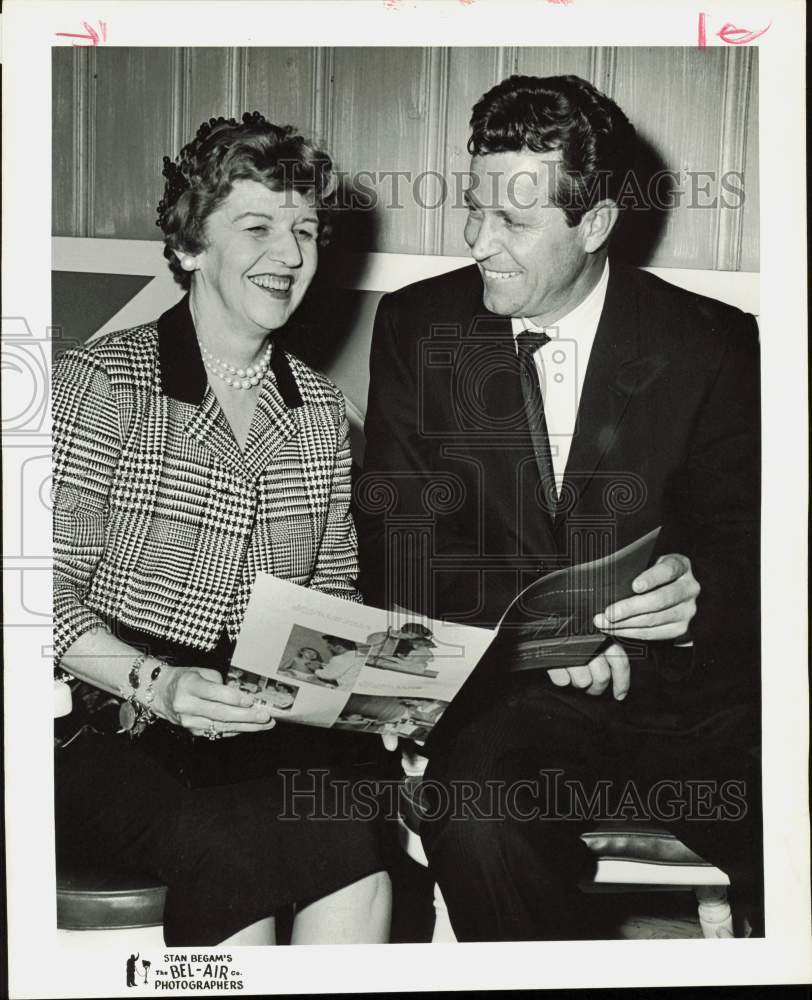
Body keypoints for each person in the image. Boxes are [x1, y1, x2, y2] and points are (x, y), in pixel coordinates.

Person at [357, 75, 761, 940]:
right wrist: (542, 648)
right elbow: (397, 542)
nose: (478, 242)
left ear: (597, 225)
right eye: (474, 209)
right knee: (470, 810)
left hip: (698, 708)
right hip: (517, 705)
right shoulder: (418, 327)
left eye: (514, 221)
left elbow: (749, 543)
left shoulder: (714, 344)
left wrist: (697, 592)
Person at [53, 112, 391, 946]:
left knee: (351, 821)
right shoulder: (103, 380)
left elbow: (333, 596)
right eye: (258, 226)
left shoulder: (317, 412)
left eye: (305, 228)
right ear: (190, 247)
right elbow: (33, 594)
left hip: (257, 720)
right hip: (108, 715)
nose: (290, 252)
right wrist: (158, 685)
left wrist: (375, 691)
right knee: (235, 835)